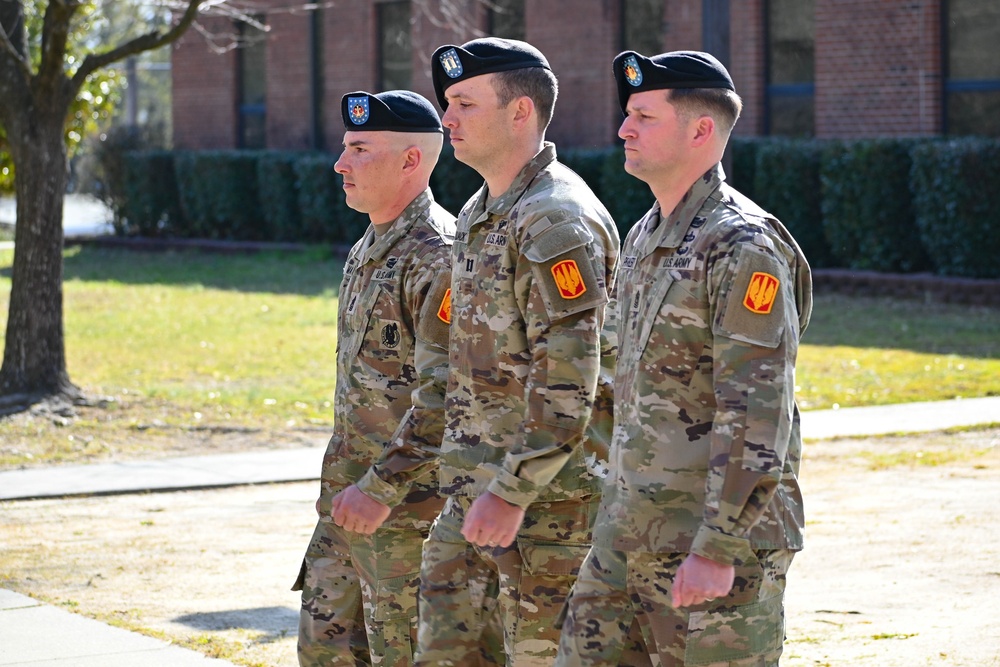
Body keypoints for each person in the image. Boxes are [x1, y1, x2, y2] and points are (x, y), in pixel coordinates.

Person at [338, 37, 620, 666]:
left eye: (464, 103)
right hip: (469, 500)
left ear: (520, 113)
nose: (448, 119)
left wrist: (512, 492)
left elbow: (570, 380)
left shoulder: (556, 220)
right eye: (447, 103)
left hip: (545, 513)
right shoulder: (480, 212)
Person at [555, 51, 814, 667]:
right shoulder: (646, 233)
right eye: (627, 115)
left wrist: (719, 547)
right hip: (628, 530)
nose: (623, 129)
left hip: (708, 541)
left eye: (643, 116)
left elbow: (756, 409)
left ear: (701, 130)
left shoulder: (743, 244)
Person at [292, 90, 455, 667]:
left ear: (411, 161)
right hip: (345, 502)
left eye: (359, 149)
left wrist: (380, 490)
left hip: (407, 517)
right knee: (324, 653)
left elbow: (447, 397)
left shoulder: (438, 255)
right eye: (344, 148)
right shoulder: (370, 245)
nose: (341, 163)